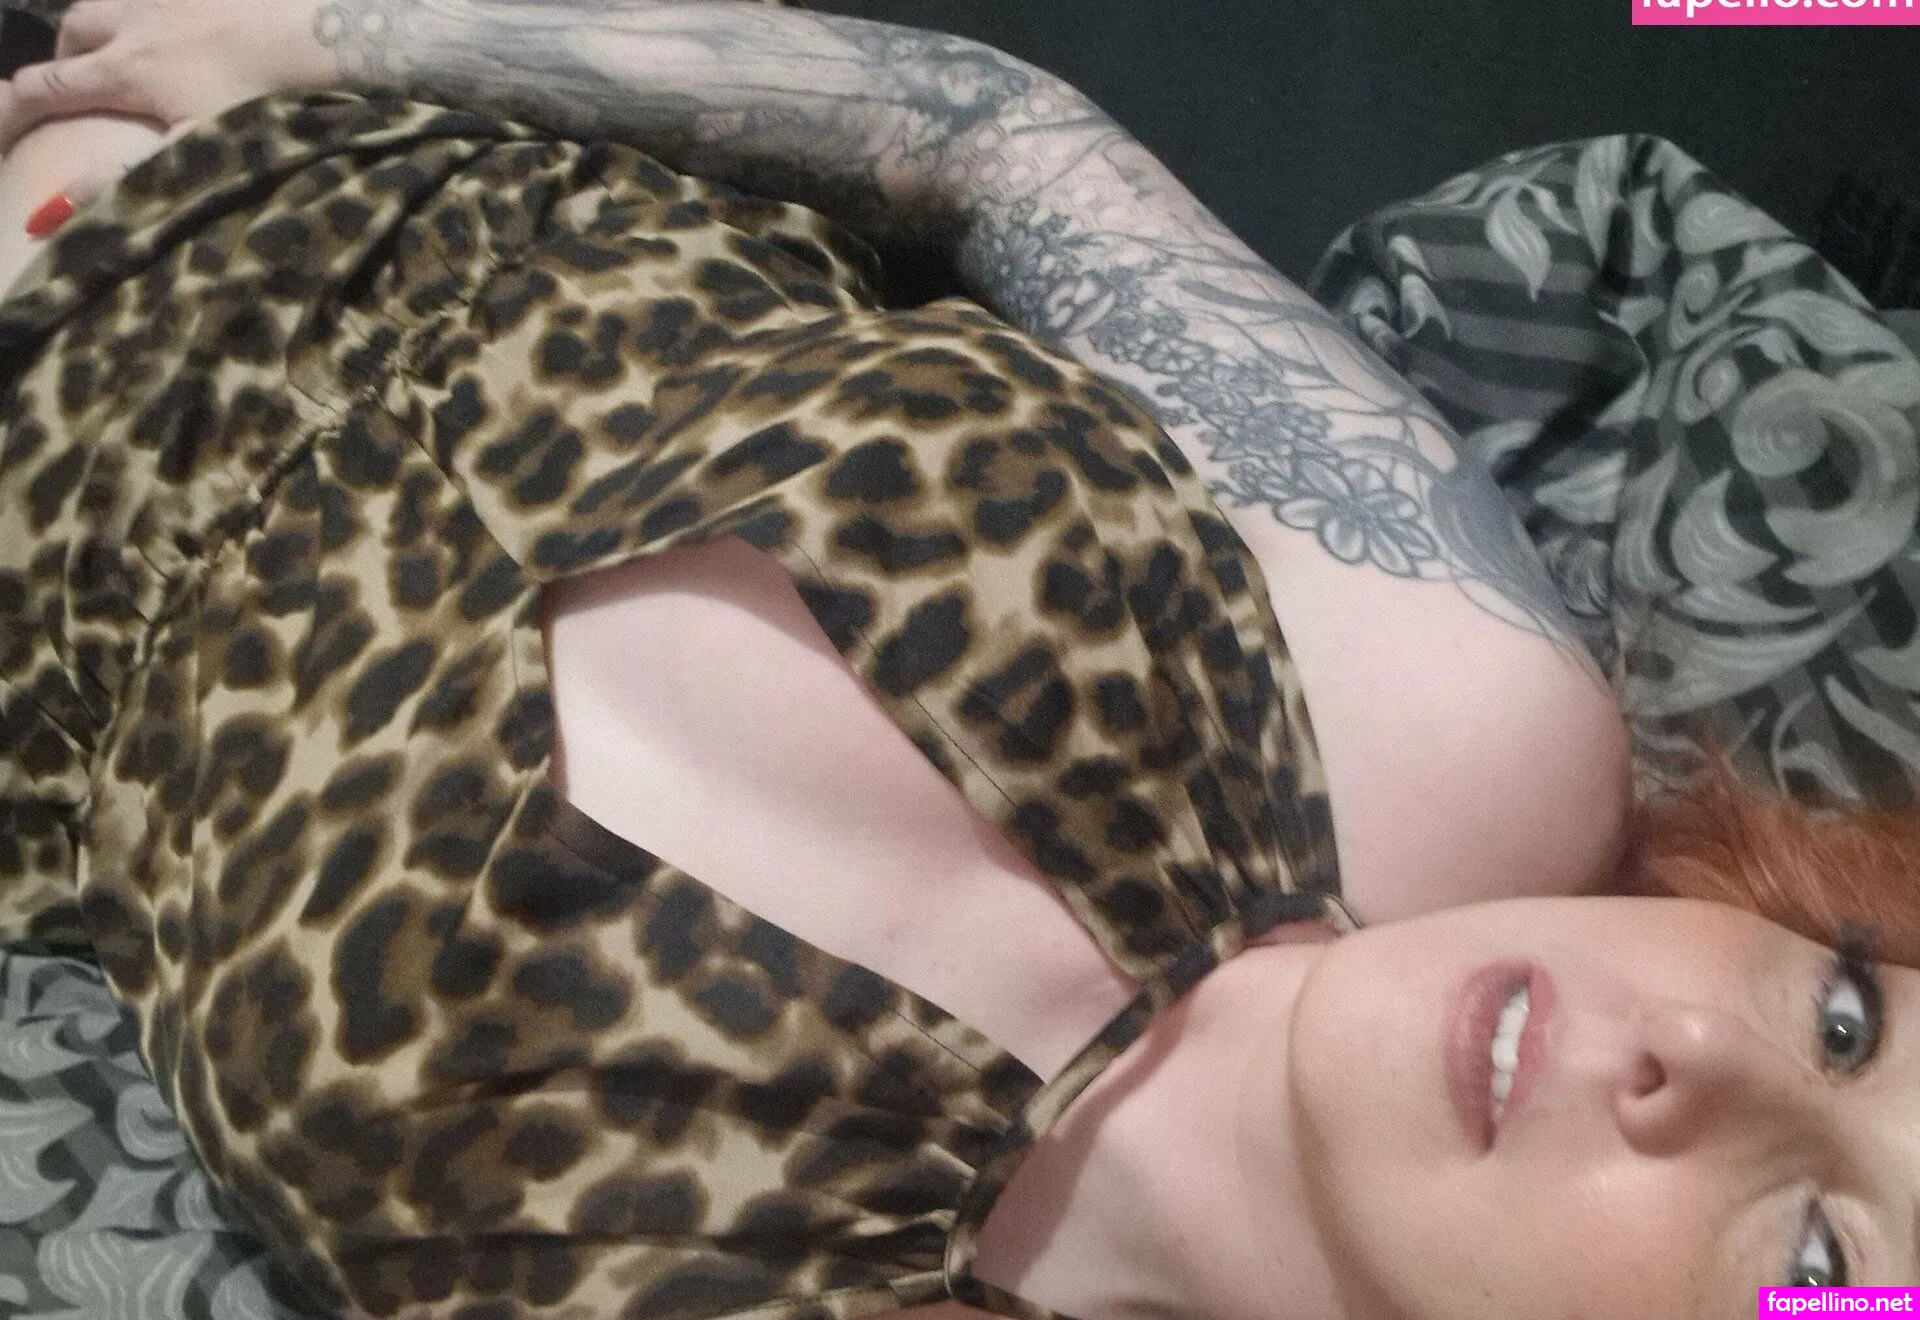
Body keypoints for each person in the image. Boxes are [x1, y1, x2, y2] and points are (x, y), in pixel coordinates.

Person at [1, 2, 1919, 1318]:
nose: (1687, 1056)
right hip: (334, 122)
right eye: (1847, 1024)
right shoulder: (1466, 724)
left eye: (1818, 1257)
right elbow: (999, 145)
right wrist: (327, 36)